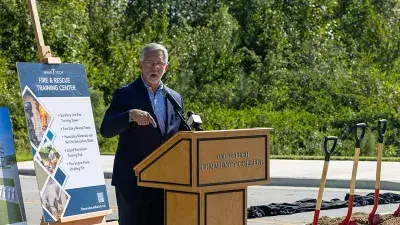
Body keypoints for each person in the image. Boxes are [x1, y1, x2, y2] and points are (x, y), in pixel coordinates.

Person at [100, 43, 187, 225]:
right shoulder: (126, 94)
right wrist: (129, 115)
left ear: (166, 67)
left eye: (159, 63)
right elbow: (106, 129)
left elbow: (181, 136)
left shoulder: (174, 98)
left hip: (164, 182)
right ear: (140, 65)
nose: (154, 67)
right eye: (149, 62)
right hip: (133, 183)